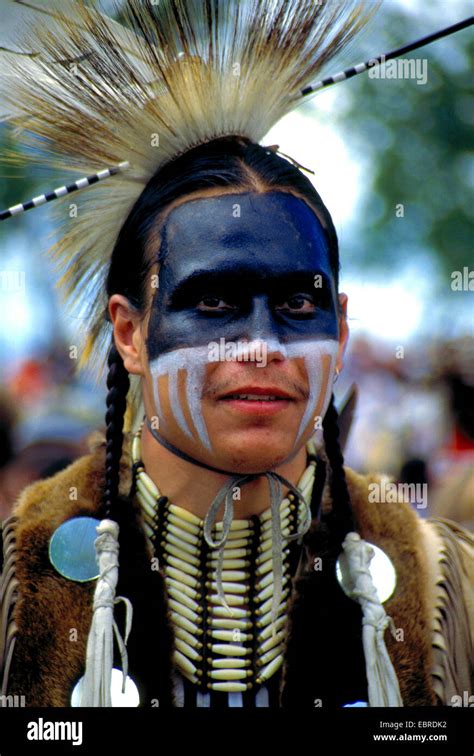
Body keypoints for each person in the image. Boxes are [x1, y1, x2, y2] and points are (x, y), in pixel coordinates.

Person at [0, 0, 472, 709]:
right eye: (215, 302)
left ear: (340, 332)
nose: (261, 345)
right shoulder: (18, 589)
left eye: (298, 304)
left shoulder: (444, 593)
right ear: (130, 333)